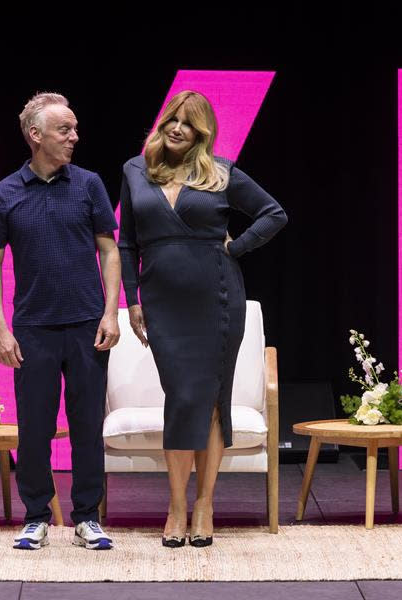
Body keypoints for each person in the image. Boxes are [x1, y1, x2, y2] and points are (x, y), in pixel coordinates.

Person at [118, 90, 287, 547]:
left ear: (201, 132)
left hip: (217, 298)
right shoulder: (136, 170)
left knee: (211, 400)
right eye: (172, 118)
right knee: (180, 398)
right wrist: (132, 300)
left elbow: (274, 213)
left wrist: (236, 246)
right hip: (161, 303)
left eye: (188, 123)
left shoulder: (222, 172)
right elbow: (127, 243)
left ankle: (204, 506)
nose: (177, 128)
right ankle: (176, 507)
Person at [0, 92, 120, 550]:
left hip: (86, 325)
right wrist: (0, 329)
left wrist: (111, 311)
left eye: (75, 129)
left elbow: (109, 249)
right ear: (36, 136)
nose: (75, 137)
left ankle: (86, 517)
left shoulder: (90, 184)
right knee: (35, 428)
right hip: (33, 328)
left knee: (86, 427)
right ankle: (36, 515)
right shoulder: (5, 193)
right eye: (65, 130)